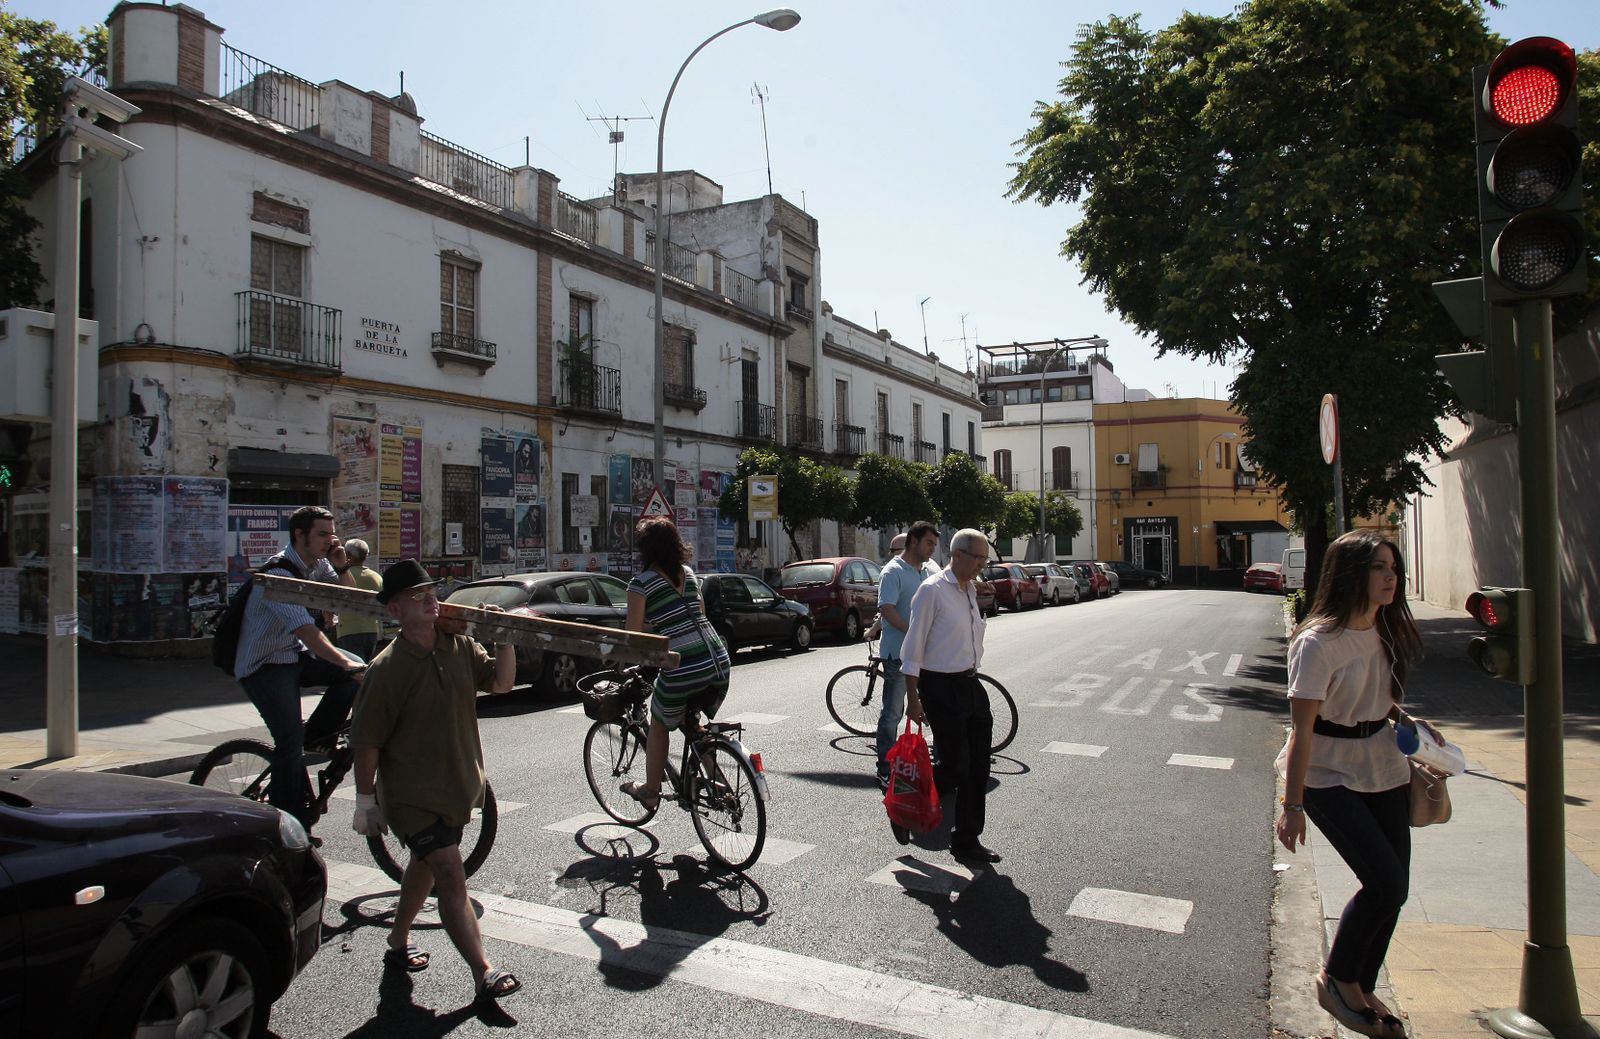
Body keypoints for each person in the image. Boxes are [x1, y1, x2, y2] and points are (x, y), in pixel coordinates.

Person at [1275, 530, 1439, 1039]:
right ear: (1351, 574)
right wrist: (1293, 805)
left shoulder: (1385, 628)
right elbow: (1304, 728)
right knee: (1384, 883)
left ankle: (1360, 987)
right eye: (1379, 569)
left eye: (1394, 568)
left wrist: (1411, 726)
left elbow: (1379, 698)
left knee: (1395, 890)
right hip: (1328, 775)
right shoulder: (1318, 642)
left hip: (1384, 766)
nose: (1391, 577)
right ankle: (1336, 978)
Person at [349, 559, 521, 1002]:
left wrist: (503, 641)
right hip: (412, 796)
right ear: (395, 612)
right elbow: (366, 740)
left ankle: (396, 940)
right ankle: (484, 970)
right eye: (415, 596)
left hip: (457, 787)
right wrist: (365, 800)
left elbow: (502, 684)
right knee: (447, 868)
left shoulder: (459, 646)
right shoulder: (386, 670)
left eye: (431, 591)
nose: (429, 599)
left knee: (423, 868)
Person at [234, 505, 365, 828]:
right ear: (299, 535)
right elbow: (306, 630)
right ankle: (286, 824)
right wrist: (345, 661)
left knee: (357, 670)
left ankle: (318, 738)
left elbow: (349, 600)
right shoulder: (279, 575)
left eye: (331, 534)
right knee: (290, 741)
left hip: (293, 657)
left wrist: (341, 564)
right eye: (322, 534)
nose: (329, 540)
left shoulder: (318, 564)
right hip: (264, 666)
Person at [618, 516, 732, 810]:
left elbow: (632, 638)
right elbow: (697, 616)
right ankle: (716, 780)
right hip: (718, 661)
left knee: (658, 723)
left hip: (684, 666)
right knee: (690, 721)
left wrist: (619, 664)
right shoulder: (689, 574)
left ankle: (651, 790)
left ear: (645, 550)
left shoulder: (639, 584)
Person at [902, 528, 1000, 863]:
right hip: (939, 685)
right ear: (958, 555)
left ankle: (967, 839)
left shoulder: (969, 590)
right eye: (978, 558)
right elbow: (912, 649)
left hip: (970, 683)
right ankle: (907, 802)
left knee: (978, 766)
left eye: (985, 559)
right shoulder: (932, 591)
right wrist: (913, 699)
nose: (981, 566)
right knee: (956, 767)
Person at [873, 521, 942, 790]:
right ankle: (885, 769)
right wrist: (914, 631)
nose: (932, 550)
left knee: (932, 707)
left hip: (926, 655)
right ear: (913, 541)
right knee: (893, 713)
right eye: (929, 544)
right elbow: (887, 609)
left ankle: (934, 762)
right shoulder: (893, 571)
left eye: (935, 545)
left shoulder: (925, 571)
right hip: (898, 653)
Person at [335, 538, 383, 664]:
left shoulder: (342, 576)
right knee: (367, 670)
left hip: (348, 631)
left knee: (354, 671)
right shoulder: (376, 577)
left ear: (348, 555)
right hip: (372, 631)